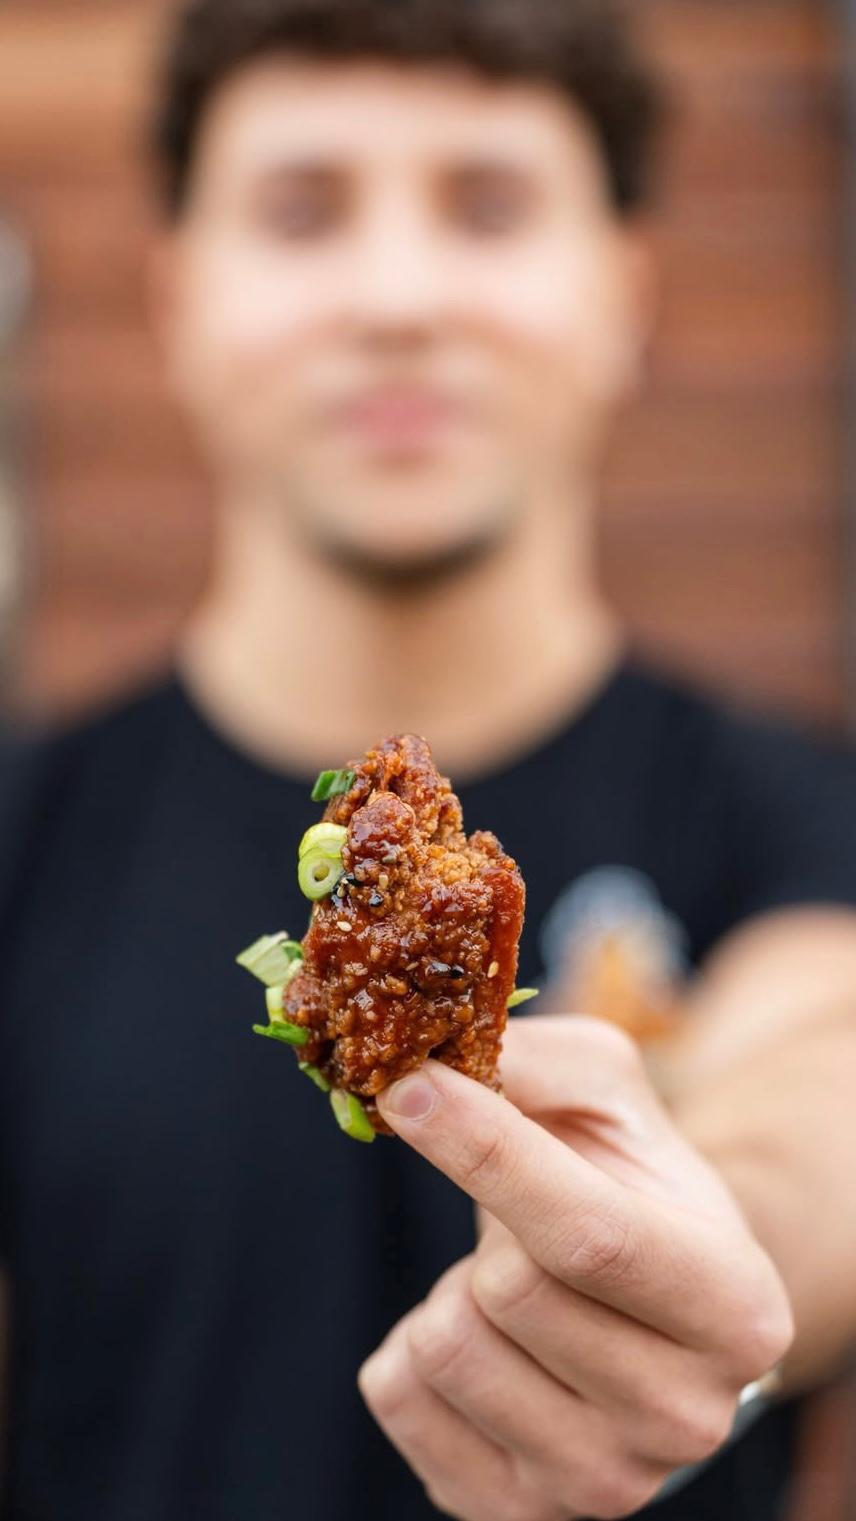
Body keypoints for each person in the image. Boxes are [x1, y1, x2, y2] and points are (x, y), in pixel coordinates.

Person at [2, 1, 856, 1517]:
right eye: (302, 210)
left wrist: (714, 1243)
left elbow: (819, 1086)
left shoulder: (799, 814)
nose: (398, 297)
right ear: (178, 297)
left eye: (489, 205)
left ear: (627, 291)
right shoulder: (27, 833)